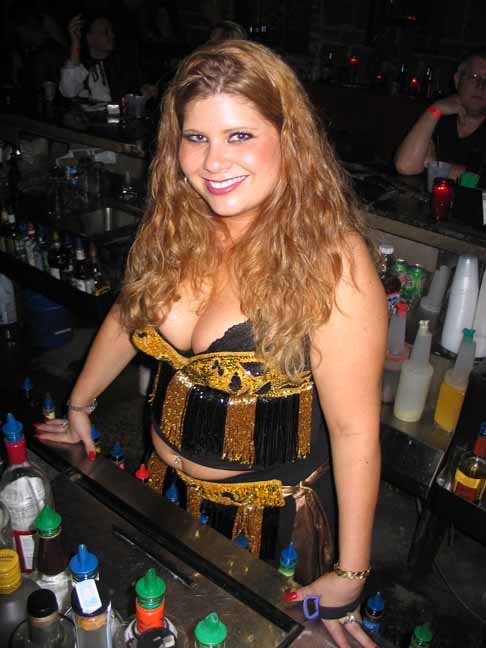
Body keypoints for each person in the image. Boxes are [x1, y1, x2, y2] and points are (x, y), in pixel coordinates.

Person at [36, 40, 386, 648]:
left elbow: (355, 431)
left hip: (272, 529)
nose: (213, 162)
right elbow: (129, 313)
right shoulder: (177, 224)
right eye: (195, 137)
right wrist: (81, 403)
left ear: (289, 139)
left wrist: (351, 574)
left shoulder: (333, 261)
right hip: (164, 494)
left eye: (239, 136)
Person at [395, 50, 486, 180]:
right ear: (457, 80)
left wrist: (434, 166)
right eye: (474, 76)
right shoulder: (439, 117)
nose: (481, 86)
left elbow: (480, 180)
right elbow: (405, 166)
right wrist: (435, 109)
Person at [59, 13, 147, 102]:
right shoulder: (82, 65)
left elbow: (134, 93)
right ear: (89, 38)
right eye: (106, 32)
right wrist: (75, 42)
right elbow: (69, 91)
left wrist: (144, 92)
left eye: (111, 31)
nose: (112, 35)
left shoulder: (122, 62)